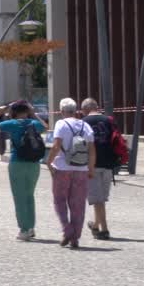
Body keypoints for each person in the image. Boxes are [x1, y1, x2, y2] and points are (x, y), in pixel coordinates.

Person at [0, 100, 46, 241]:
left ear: (13, 112)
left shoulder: (12, 124)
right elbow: (45, 126)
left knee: (19, 197)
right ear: (27, 110)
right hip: (33, 163)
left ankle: (24, 229)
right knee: (29, 195)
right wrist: (33, 114)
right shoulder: (34, 124)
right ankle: (31, 227)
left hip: (17, 162)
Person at [47, 97, 96, 249]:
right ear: (75, 111)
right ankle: (75, 238)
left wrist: (49, 162)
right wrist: (91, 168)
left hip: (62, 168)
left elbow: (56, 146)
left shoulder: (61, 124)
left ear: (61, 111)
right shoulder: (85, 125)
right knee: (78, 205)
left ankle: (67, 230)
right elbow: (92, 149)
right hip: (81, 169)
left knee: (59, 201)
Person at [79, 98, 120, 240]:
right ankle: (96, 226)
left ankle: (105, 230)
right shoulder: (109, 120)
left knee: (98, 200)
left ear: (84, 109)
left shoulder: (83, 123)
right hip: (108, 164)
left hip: (92, 164)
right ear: (97, 107)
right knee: (101, 199)